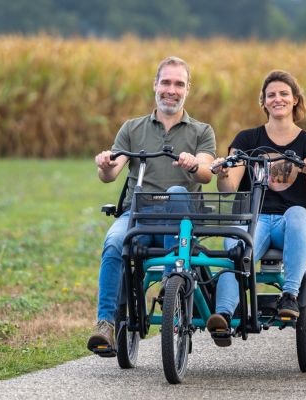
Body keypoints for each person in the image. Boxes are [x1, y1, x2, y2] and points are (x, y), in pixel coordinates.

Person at [87, 56, 216, 356]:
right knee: (114, 243)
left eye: (179, 84)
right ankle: (105, 323)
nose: (172, 90)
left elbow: (208, 172)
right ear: (155, 85)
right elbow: (110, 174)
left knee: (175, 190)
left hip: (180, 219)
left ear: (188, 90)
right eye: (166, 82)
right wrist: (105, 164)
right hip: (139, 215)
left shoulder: (201, 131)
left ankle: (172, 295)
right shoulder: (133, 128)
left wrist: (193, 163)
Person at [208, 70, 306, 347]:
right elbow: (228, 188)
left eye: (284, 94)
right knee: (237, 244)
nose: (278, 99)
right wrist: (222, 172)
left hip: (293, 225)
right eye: (271, 95)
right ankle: (224, 314)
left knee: (298, 213)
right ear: (263, 101)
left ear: (295, 100)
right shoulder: (247, 140)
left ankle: (289, 296)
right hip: (256, 220)